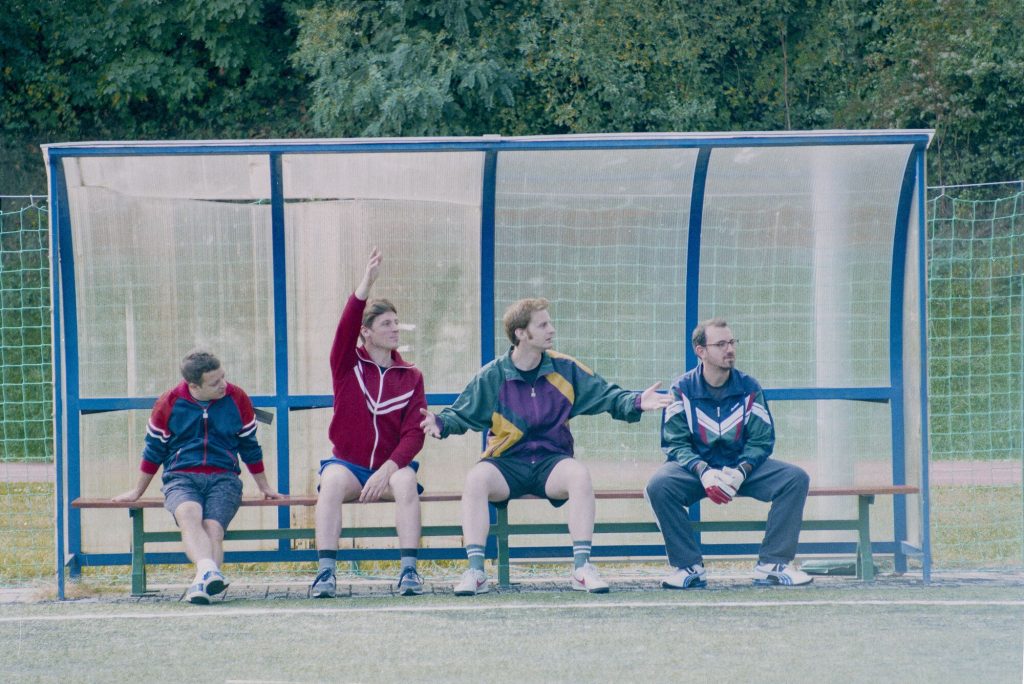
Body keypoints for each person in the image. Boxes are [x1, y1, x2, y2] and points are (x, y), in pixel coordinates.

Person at [419, 297, 672, 595]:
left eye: (549, 322)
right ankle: (476, 572)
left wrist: (637, 401)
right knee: (476, 479)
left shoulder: (566, 369)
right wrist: (441, 423)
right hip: (507, 463)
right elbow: (461, 412)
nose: (551, 329)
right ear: (521, 334)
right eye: (543, 324)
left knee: (578, 475)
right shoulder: (493, 375)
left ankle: (581, 568)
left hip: (552, 462)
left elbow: (607, 395)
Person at [645, 318, 812, 588]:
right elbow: (675, 444)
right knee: (660, 485)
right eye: (720, 344)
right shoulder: (681, 389)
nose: (730, 349)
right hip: (698, 471)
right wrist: (704, 472)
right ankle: (688, 567)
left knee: (795, 478)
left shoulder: (749, 387)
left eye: (732, 342)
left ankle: (773, 564)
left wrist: (741, 470)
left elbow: (762, 440)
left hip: (743, 469)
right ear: (700, 351)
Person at [113, 350, 282, 604]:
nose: (223, 385)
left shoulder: (237, 399)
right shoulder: (168, 403)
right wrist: (137, 491)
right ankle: (209, 573)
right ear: (194, 386)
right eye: (215, 383)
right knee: (189, 514)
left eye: (223, 377)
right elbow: (153, 450)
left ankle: (202, 580)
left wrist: (265, 486)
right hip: (181, 477)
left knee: (213, 528)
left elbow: (249, 447)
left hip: (224, 478)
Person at [310, 247, 428, 599]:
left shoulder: (411, 375)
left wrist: (388, 469)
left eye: (396, 322)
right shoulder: (346, 365)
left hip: (390, 468)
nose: (394, 329)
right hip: (348, 465)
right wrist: (366, 283)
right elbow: (344, 329)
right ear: (366, 333)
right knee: (330, 483)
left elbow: (413, 434)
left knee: (406, 483)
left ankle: (409, 571)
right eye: (386, 324)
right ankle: (326, 574)